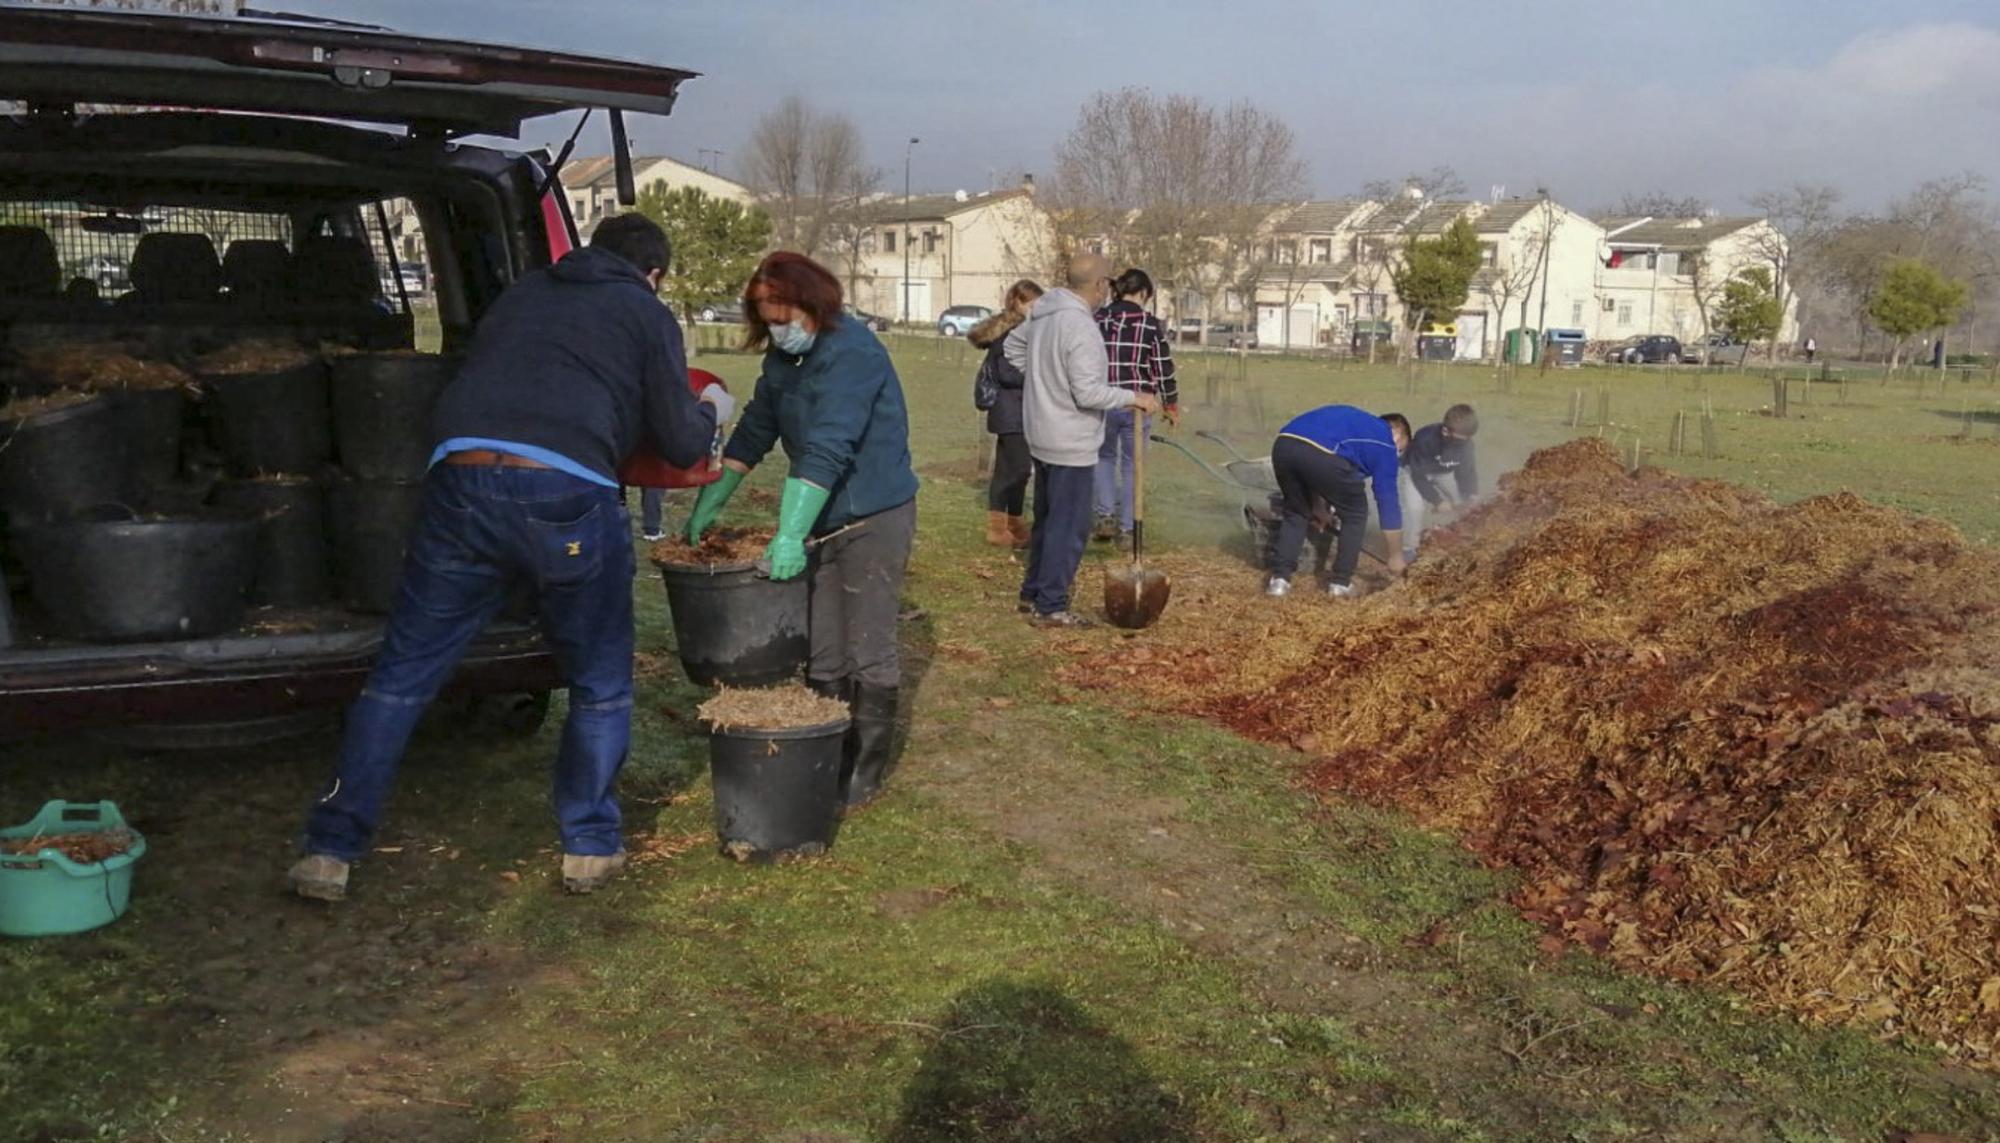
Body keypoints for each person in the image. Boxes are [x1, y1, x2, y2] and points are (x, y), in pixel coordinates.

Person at [289, 213, 734, 902]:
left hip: (458, 475)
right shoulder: (643, 311)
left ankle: (329, 849)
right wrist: (712, 407)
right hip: (563, 489)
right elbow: (678, 442)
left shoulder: (524, 291)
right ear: (654, 274)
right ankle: (588, 844)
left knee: (401, 677)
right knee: (600, 678)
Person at [685, 252, 918, 808]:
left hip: (873, 516)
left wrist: (788, 533)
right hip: (820, 517)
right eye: (767, 320)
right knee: (824, 649)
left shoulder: (853, 354)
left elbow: (828, 447)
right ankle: (828, 752)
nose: (777, 330)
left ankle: (864, 769)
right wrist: (710, 500)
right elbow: (755, 431)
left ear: (814, 305)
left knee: (869, 645)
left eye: (784, 317)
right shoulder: (783, 363)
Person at [1006, 252, 1159, 628]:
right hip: (1069, 440)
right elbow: (1090, 394)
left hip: (1041, 433)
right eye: (1108, 281)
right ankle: (1051, 606)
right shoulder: (1081, 327)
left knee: (1046, 518)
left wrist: (1044, 382)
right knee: (1069, 526)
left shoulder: (1043, 312)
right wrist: (1133, 397)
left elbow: (1012, 348)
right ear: (1100, 285)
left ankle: (1033, 593)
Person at [1265, 404, 1408, 598]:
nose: (1397, 454)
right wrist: (1396, 555)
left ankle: (1279, 581)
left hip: (1283, 445)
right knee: (1355, 515)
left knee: (1296, 512)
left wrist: (1318, 507)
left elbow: (1311, 458)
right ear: (1398, 435)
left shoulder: (1355, 424)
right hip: (1320, 454)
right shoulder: (1385, 442)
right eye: (1401, 449)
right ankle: (1340, 583)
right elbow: (1387, 500)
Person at [1093, 268, 1179, 543]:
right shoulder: (1150, 324)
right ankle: (1128, 528)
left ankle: (1105, 514)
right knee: (1133, 465)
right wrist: (1171, 404)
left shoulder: (1098, 319)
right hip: (1138, 406)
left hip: (1102, 400)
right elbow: (1163, 367)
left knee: (1104, 458)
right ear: (1143, 293)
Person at [971, 279, 1044, 549]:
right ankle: (998, 527)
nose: (1036, 308)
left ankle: (1013, 524)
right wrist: (1038, 375)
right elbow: (1007, 372)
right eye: (1031, 303)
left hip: (1018, 408)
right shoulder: (1009, 334)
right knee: (1018, 469)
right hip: (1009, 409)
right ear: (1017, 302)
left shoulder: (1024, 330)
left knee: (1013, 470)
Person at [1398, 403, 1479, 563]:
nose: (1462, 445)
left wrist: (1471, 494)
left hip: (1443, 472)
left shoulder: (1466, 444)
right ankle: (1409, 549)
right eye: (1458, 442)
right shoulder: (1425, 439)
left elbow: (1466, 472)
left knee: (1465, 505)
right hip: (1415, 472)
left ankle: (1461, 541)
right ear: (1445, 431)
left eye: (1466, 441)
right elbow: (1419, 476)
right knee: (1415, 509)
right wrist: (1437, 501)